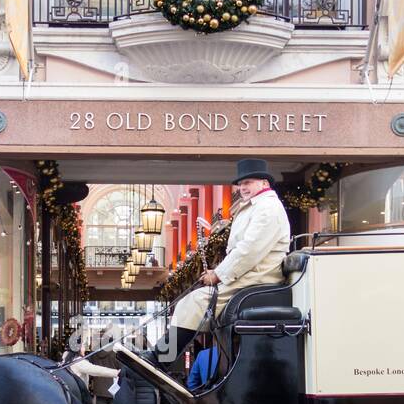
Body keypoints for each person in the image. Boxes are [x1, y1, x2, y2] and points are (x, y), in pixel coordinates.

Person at [116, 158, 290, 392]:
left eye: (248, 182)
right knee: (191, 301)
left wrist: (218, 274)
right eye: (240, 184)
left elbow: (249, 251)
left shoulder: (267, 208)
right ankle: (161, 356)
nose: (243, 188)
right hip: (248, 275)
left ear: (264, 182)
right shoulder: (254, 206)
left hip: (258, 277)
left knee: (196, 301)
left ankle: (162, 358)